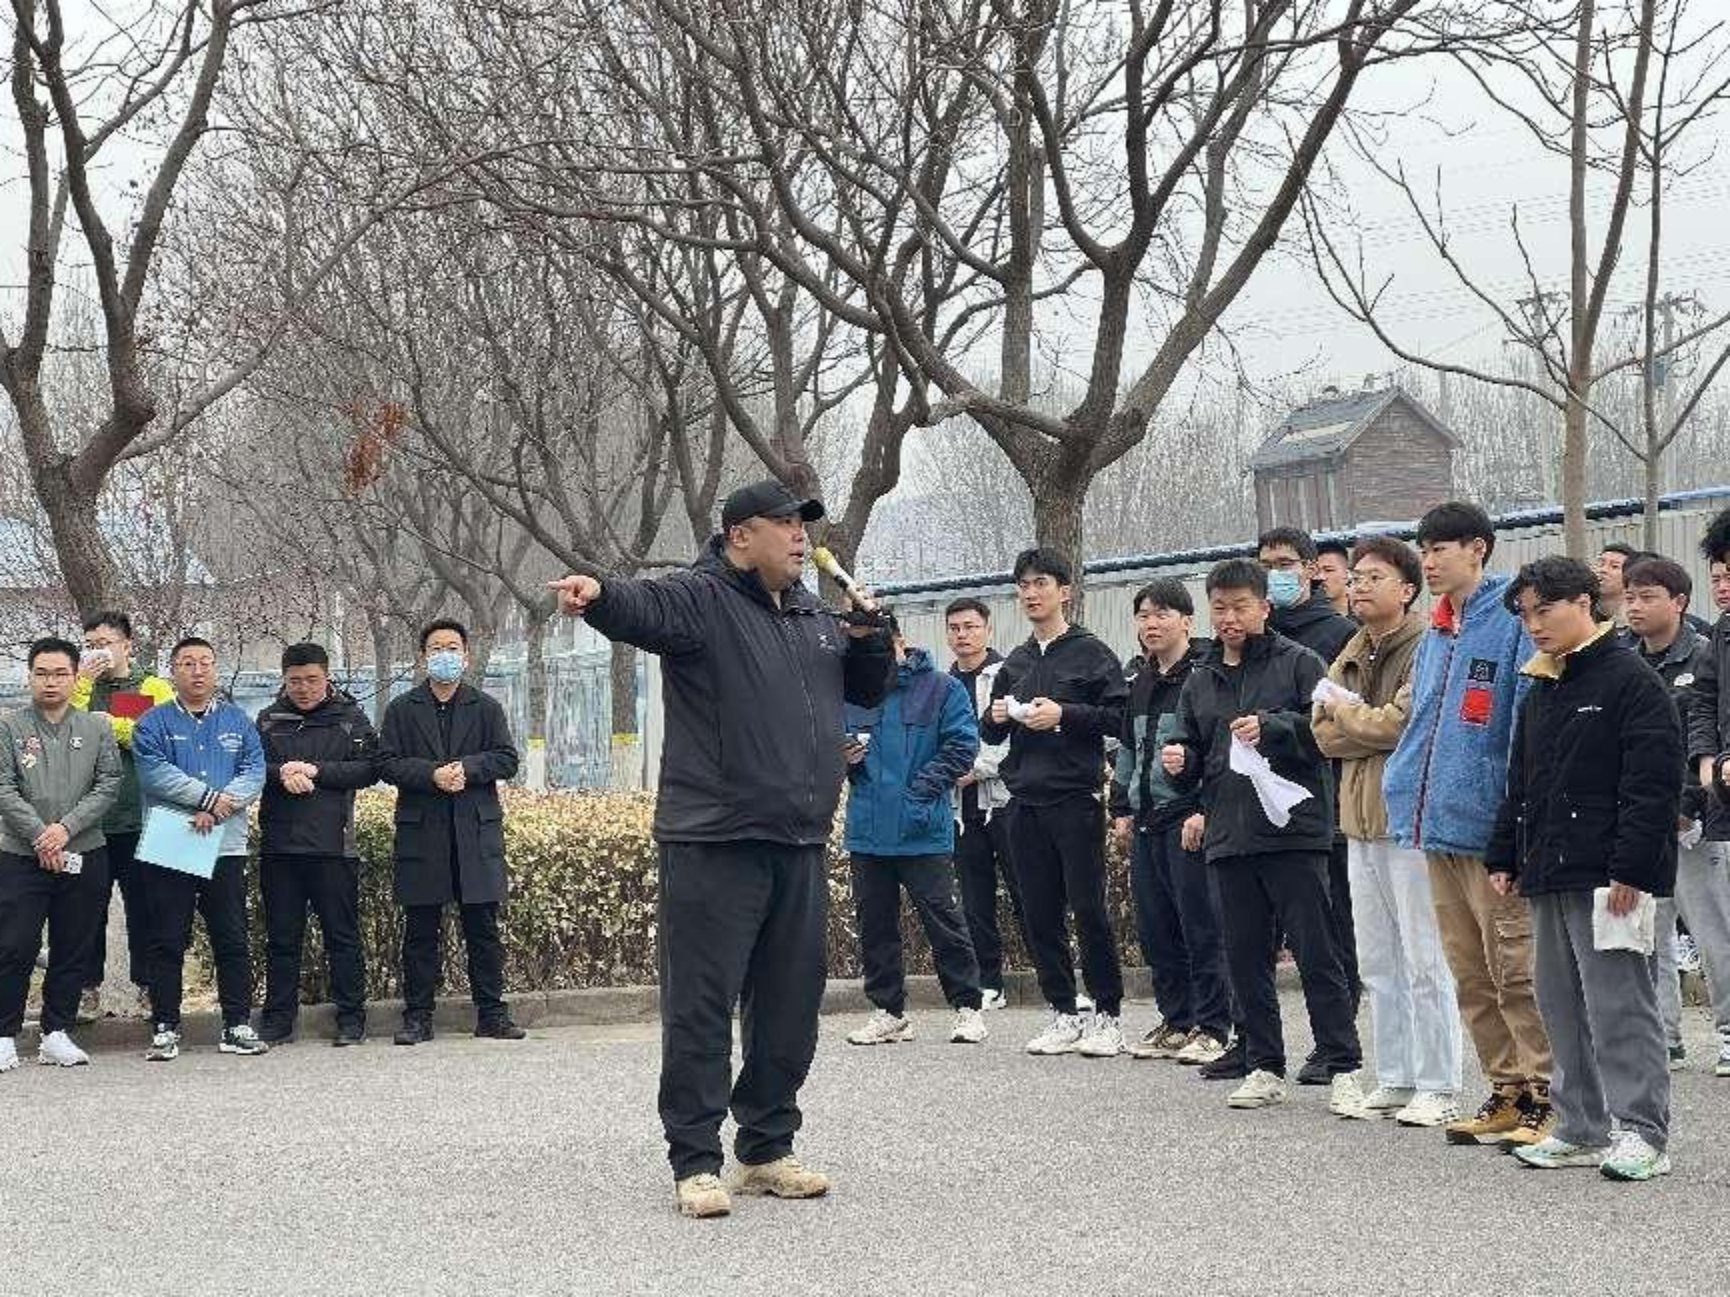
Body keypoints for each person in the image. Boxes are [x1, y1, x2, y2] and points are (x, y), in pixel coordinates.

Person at [549, 479, 894, 1220]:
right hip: (713, 838)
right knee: (702, 1006)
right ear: (740, 535)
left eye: (804, 525)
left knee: (790, 1006)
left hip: (798, 838)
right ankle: (696, 1160)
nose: (801, 536)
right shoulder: (702, 599)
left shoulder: (813, 612)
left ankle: (767, 1146)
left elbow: (865, 692)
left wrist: (870, 637)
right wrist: (599, 594)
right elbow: (643, 607)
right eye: (785, 523)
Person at [1486, 556, 1679, 1181]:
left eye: (1544, 611)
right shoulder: (1542, 686)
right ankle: (1580, 1127)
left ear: (1584, 604)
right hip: (1549, 869)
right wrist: (1504, 853)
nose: (1534, 625)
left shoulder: (1630, 679)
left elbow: (1653, 786)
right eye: (1525, 615)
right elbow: (1520, 782)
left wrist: (1632, 870)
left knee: (1620, 1004)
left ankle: (1643, 1132)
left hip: (1610, 876)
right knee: (1559, 1003)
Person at [1161, 559, 1363, 1112]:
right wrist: (1180, 759)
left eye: (1240, 607)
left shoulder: (1299, 662)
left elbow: (1329, 731)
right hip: (1229, 834)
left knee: (1318, 953)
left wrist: (1272, 727)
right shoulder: (1201, 677)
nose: (1229, 618)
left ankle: (1342, 1063)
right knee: (1245, 958)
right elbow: (1193, 745)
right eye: (1220, 608)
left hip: (1293, 831)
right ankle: (1263, 1063)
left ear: (1264, 607)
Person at [1383, 501, 1553, 1149]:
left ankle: (1549, 1092)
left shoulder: (1510, 621)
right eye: (1423, 549)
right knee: (1470, 971)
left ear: (1477, 548)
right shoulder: (1436, 630)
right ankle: (1506, 1088)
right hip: (1436, 826)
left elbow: (1522, 723)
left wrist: (1514, 818)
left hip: (1490, 829)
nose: (1428, 562)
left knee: (1515, 969)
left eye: (1441, 548)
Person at [1313, 538, 1462, 1127]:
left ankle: (1440, 1083)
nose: (1359, 586)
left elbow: (1403, 725)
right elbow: (1321, 733)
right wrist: (1361, 724)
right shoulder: (1350, 649)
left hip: (1409, 823)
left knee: (1425, 958)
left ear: (1407, 589)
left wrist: (1351, 717)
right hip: (1358, 823)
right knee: (1377, 960)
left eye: (1373, 577)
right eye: (1355, 578)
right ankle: (1396, 1075)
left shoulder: (1427, 645)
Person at [979, 547, 1129, 1059]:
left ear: (1064, 591)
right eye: (1023, 585)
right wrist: (997, 716)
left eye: (1040, 583)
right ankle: (1064, 1011)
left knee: (1087, 909)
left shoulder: (1092, 653)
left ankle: (1108, 1015)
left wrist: (1064, 714)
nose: (1031, 594)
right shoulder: (1015, 661)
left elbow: (1119, 718)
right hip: (1023, 801)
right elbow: (989, 732)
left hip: (1074, 798)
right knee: (1038, 913)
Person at [842, 620, 986, 1047]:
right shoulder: (852, 689)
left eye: (879, 642)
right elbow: (831, 745)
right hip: (867, 828)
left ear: (899, 641)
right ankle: (889, 1012)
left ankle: (968, 1007)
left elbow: (962, 746)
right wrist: (844, 758)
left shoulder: (942, 688)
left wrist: (919, 793)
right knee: (875, 925)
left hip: (921, 828)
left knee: (943, 921)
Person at [379, 620, 523, 1047]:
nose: (445, 655)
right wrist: (431, 774)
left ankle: (491, 1013)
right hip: (422, 832)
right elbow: (386, 763)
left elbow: (507, 759)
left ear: (466, 655)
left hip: (474, 833)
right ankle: (418, 1016)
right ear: (423, 657)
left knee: (483, 930)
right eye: (436, 648)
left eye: (452, 647)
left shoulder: (486, 707)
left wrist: (468, 769)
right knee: (421, 931)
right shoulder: (402, 709)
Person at [1109, 578, 1230, 1066]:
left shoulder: (1204, 676)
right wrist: (1120, 806)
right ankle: (1176, 1020)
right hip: (1146, 820)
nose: (1151, 624)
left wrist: (1204, 808)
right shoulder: (1140, 680)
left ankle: (1214, 1025)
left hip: (1188, 817)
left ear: (1187, 620)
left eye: (1162, 614)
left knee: (1201, 926)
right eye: (1143, 616)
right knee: (1156, 928)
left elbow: (1217, 750)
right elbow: (1127, 749)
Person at [133, 637, 270, 1061]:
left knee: (231, 936)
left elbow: (255, 770)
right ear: (172, 670)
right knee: (167, 939)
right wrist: (208, 800)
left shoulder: (238, 720)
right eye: (187, 663)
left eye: (205, 662)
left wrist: (220, 806)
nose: (197, 671)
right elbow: (155, 774)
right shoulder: (152, 722)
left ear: (215, 669)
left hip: (224, 842)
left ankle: (236, 1024)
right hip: (172, 837)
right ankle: (166, 1026)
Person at [1259, 525, 1361, 1075]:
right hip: (1257, 801)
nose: (1275, 574)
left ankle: (1337, 1039)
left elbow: (1347, 717)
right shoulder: (1254, 634)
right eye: (1266, 564)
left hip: (1325, 799)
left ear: (1311, 569)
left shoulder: (1339, 634)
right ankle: (1254, 1041)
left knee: (1328, 927)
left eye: (1284, 563)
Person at [1625, 556, 1730, 1078]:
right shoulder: (1624, 660)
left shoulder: (1705, 652)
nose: (1635, 607)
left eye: (1648, 597)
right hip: (1641, 819)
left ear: (1680, 602)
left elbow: (1702, 735)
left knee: (1713, 929)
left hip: (1696, 821)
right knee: (1647, 931)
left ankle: (1728, 1028)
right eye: (1630, 597)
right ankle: (1662, 1035)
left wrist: (1689, 804)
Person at [0, 638, 121, 1072]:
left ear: (75, 677)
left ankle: (56, 1033)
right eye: (42, 673)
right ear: (29, 676)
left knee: (74, 945)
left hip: (84, 850)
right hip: (19, 853)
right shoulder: (9, 727)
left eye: (60, 674)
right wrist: (41, 835)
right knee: (14, 944)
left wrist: (65, 829)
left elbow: (108, 784)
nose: (50, 682)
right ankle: (4, 1034)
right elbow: (3, 788)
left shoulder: (97, 727)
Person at [255, 643, 381, 1046]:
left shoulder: (350, 718)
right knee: (281, 939)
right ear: (284, 680)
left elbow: (370, 769)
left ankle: (351, 1018)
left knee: (342, 937)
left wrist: (317, 771)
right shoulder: (268, 720)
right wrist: (281, 773)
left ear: (327, 677)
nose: (304, 688)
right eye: (295, 681)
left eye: (312, 680)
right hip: (280, 847)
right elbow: (250, 768)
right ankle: (278, 1019)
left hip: (334, 846)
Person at [69, 610, 173, 1020]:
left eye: (105, 643)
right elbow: (65, 735)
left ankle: (149, 987)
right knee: (84, 909)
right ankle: (84, 989)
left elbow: (158, 741)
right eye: (90, 644)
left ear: (127, 645)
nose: (97, 651)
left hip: (139, 818)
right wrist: (82, 684)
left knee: (145, 907)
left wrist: (111, 726)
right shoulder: (79, 686)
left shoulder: (151, 686)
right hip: (88, 821)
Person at [944, 597, 1023, 1011]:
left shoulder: (1008, 674)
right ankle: (989, 982)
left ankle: (1058, 981)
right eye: (955, 628)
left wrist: (976, 769)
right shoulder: (942, 683)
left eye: (970, 626)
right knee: (975, 900)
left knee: (1028, 891)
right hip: (960, 809)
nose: (963, 635)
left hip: (1006, 801)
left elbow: (1017, 738)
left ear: (987, 629)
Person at [1594, 542, 1636, 624]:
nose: (1603, 570)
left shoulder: (1634, 618)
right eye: (1601, 564)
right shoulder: (1582, 610)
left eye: (1614, 566)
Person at [1315, 540, 1353, 618]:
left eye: (1328, 570)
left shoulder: (1366, 611)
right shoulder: (1303, 614)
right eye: (1316, 571)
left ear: (1347, 574)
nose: (1320, 577)